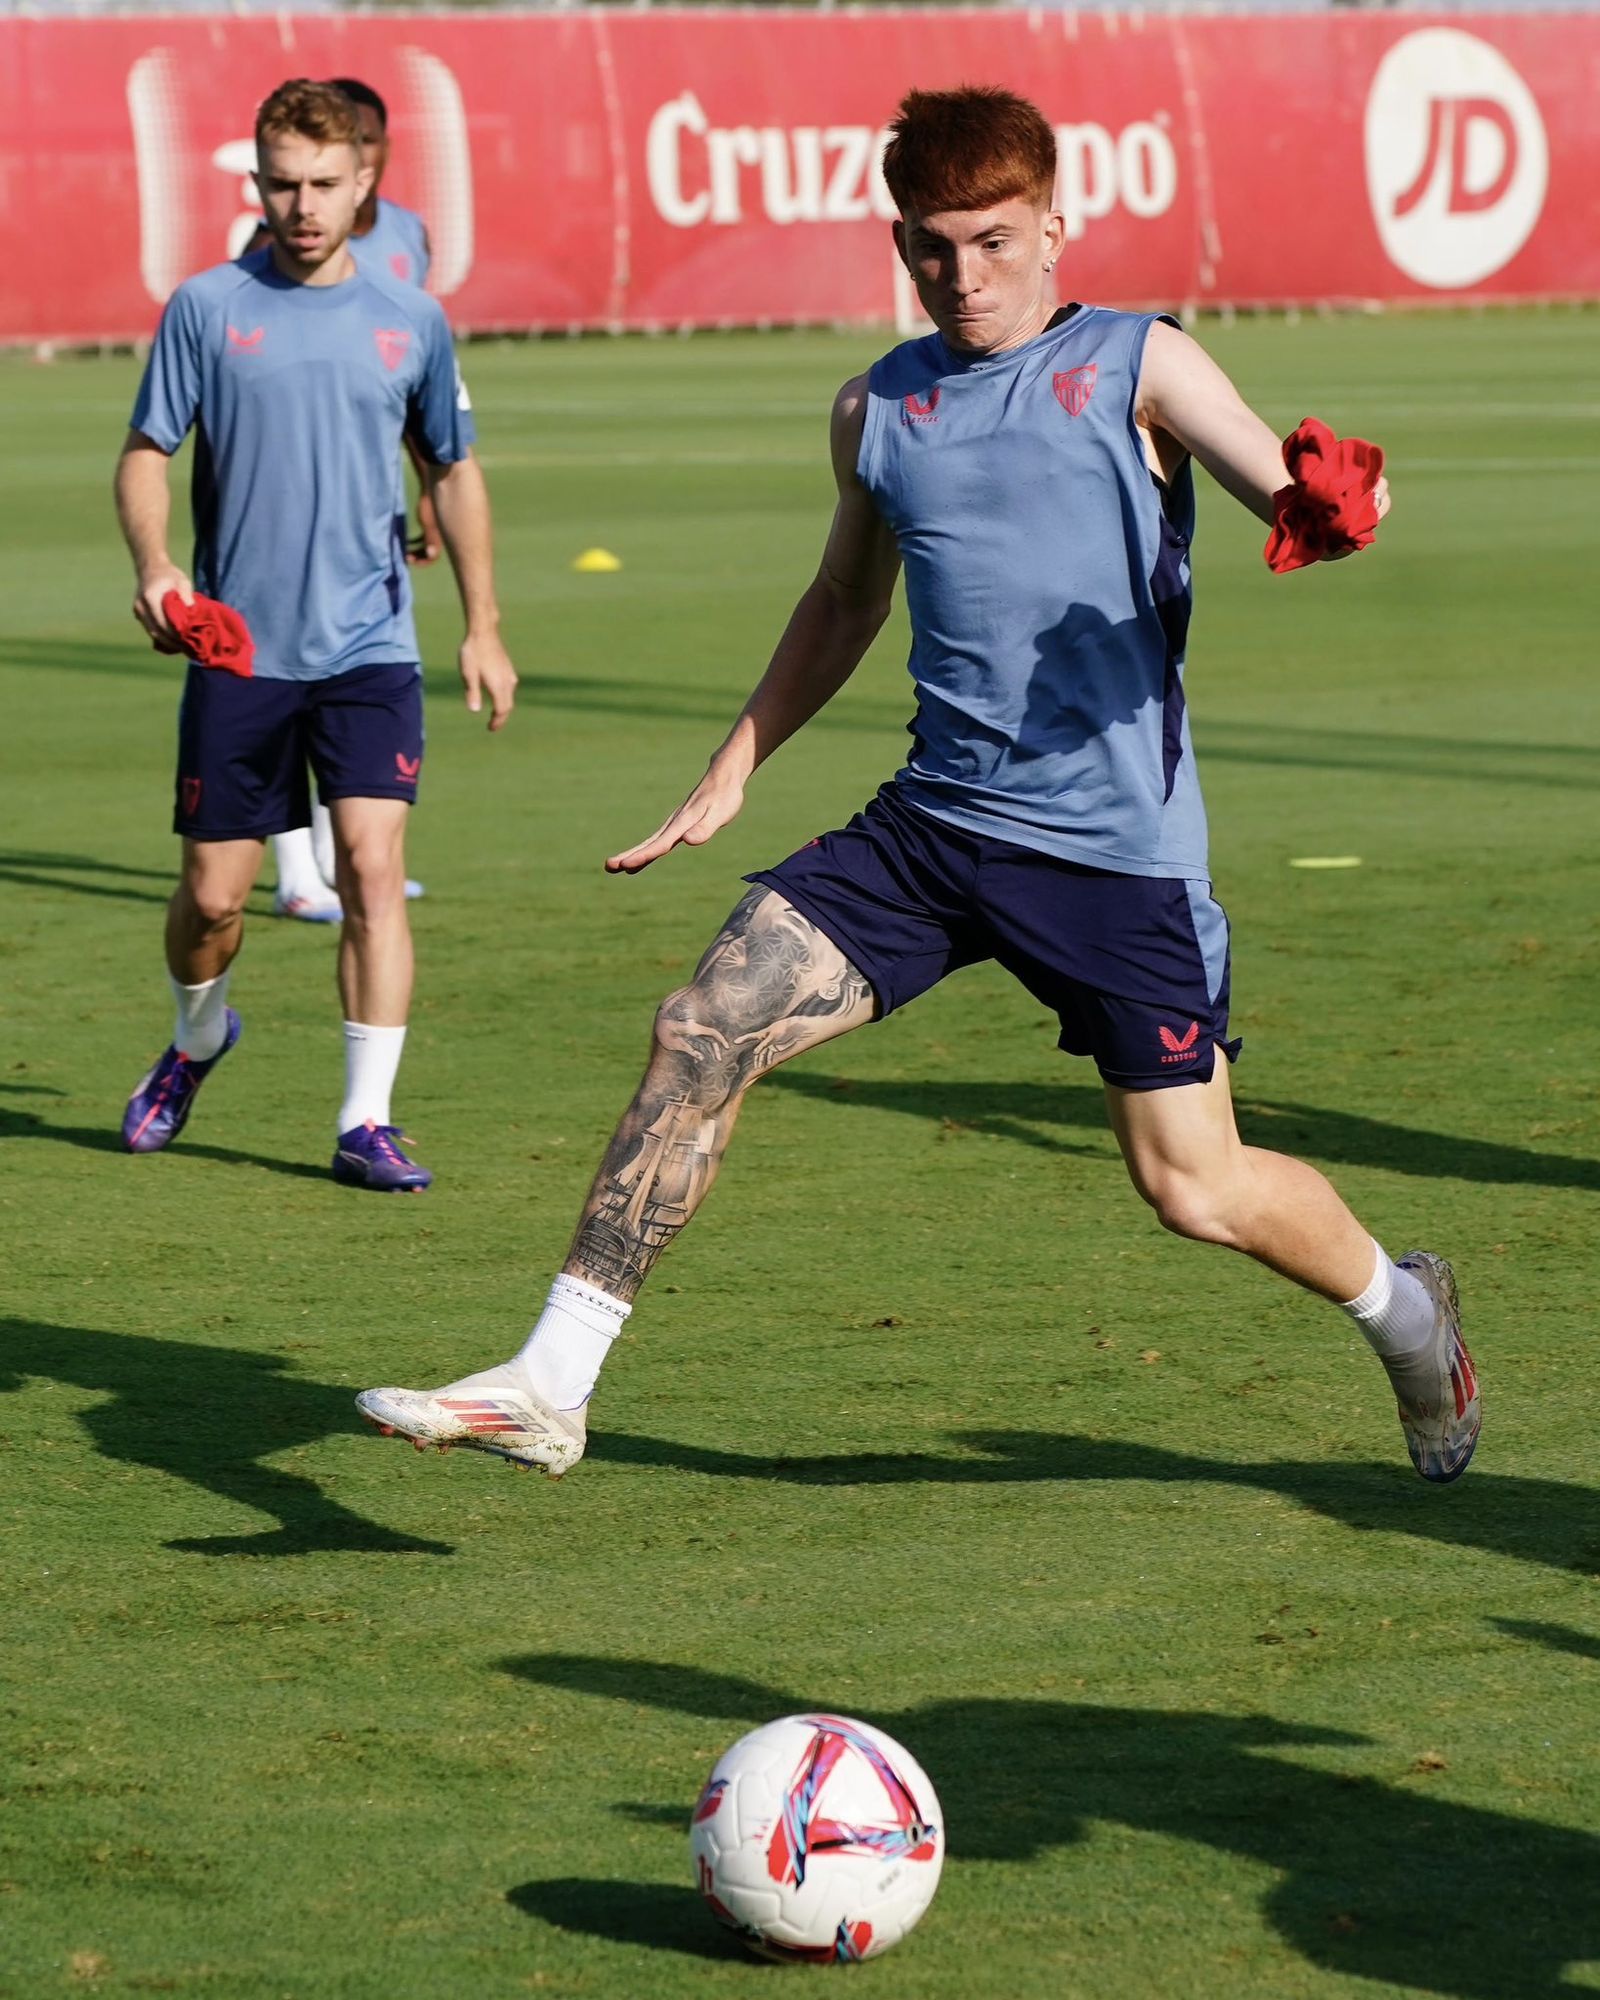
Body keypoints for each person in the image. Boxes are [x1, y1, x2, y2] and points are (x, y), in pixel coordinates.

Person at [358, 86, 1478, 1470]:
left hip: (1113, 858)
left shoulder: (1141, 365)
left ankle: (1406, 1317)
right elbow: (843, 601)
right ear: (901, 240)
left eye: (996, 241)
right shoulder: (877, 405)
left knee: (1194, 1186)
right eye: (933, 247)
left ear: (1057, 225)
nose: (963, 275)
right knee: (704, 1027)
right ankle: (552, 1381)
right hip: (933, 830)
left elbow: (1291, 492)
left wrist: (1338, 507)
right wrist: (735, 764)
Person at [117, 78, 516, 1191]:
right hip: (239, 651)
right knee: (211, 900)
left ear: (366, 183)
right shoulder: (205, 306)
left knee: (374, 870)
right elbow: (148, 448)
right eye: (282, 183)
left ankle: (365, 1120)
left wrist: (483, 624)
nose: (302, 205)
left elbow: (453, 465)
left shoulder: (410, 319)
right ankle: (198, 1039)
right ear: (257, 179)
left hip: (369, 648)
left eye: (325, 185)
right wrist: (157, 567)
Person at [264, 75, 438, 923]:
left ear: (379, 156)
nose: (359, 154)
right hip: (282, 493)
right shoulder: (273, 248)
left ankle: (345, 857)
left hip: (371, 492)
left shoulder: (408, 238)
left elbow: (411, 381)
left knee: (351, 671)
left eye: (369, 141)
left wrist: (431, 484)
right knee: (276, 666)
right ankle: (297, 869)